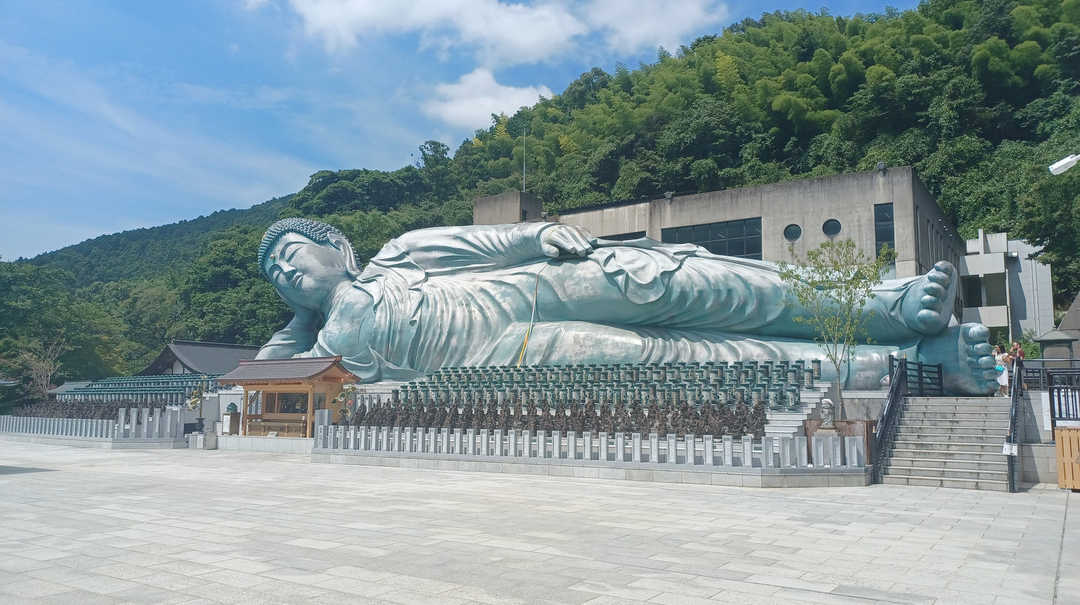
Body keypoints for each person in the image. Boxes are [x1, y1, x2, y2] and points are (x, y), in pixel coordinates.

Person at [255, 217, 998, 394]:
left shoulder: (400, 255)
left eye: (293, 254)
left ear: (338, 248)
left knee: (691, 285)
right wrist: (297, 325)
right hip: (508, 355)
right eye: (275, 276)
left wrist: (540, 233)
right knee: (682, 361)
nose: (286, 271)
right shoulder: (312, 350)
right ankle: (910, 363)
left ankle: (885, 302)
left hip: (527, 287)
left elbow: (492, 243)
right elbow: (266, 378)